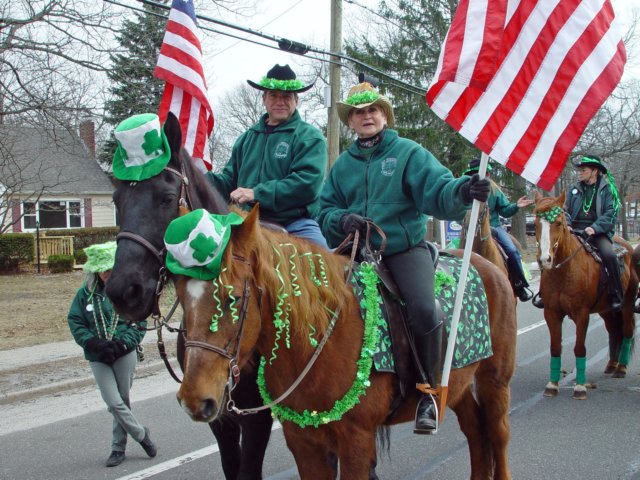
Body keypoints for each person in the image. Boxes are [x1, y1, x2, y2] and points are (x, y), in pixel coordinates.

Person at [319, 82, 490, 435]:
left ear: (384, 115)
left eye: (373, 110)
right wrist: (341, 220)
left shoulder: (409, 153)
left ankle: (429, 392)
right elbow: (324, 210)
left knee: (424, 308)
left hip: (402, 251)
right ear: (350, 120)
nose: (366, 116)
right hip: (352, 253)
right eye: (359, 112)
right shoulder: (342, 166)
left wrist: (462, 189)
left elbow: (438, 190)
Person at [206, 64, 329, 249]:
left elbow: (307, 184)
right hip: (244, 220)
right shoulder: (246, 138)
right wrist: (198, 176)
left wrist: (256, 193)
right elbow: (229, 181)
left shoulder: (309, 137)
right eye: (273, 95)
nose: (280, 101)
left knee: (323, 267)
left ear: (296, 100)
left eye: (286, 96)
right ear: (264, 99)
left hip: (294, 223)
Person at [67, 241, 157, 467]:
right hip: (98, 355)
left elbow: (138, 321)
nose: (107, 275)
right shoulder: (84, 294)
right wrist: (93, 343)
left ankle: (118, 448)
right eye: (103, 271)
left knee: (123, 400)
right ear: (96, 271)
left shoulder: (127, 290)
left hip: (123, 353)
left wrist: (123, 344)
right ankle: (141, 434)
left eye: (110, 270)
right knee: (113, 401)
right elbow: (75, 321)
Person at [552, 155, 621, 311]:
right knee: (551, 251)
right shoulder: (574, 189)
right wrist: (568, 225)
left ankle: (616, 293)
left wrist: (595, 228)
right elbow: (565, 210)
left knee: (610, 255)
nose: (579, 173)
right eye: (579, 170)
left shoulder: (608, 189)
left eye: (583, 170)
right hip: (575, 230)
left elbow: (611, 213)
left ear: (594, 171)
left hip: (597, 232)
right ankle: (545, 293)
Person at [463, 158, 534, 301]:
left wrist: (516, 206)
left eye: (484, 173)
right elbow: (457, 211)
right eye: (474, 174)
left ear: (488, 174)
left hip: (494, 226)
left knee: (512, 251)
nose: (480, 176)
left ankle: (519, 285)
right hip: (470, 230)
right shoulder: (464, 190)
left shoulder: (494, 189)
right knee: (455, 254)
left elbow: (505, 210)